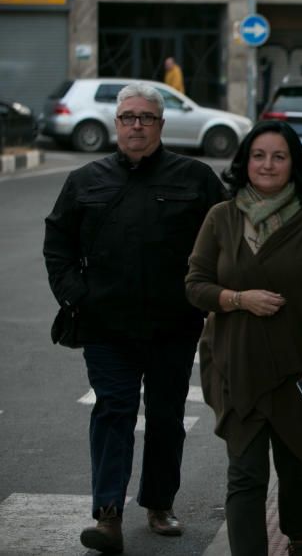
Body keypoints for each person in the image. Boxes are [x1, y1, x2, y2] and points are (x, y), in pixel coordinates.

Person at [43, 83, 226, 554]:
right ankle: (108, 514)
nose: (137, 125)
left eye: (146, 117)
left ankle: (160, 503)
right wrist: (75, 296)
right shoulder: (86, 180)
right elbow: (58, 242)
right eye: (128, 117)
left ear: (161, 125)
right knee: (114, 412)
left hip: (174, 324)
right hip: (106, 326)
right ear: (116, 123)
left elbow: (225, 237)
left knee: (166, 416)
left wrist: (210, 299)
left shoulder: (197, 178)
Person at [185, 121, 302, 556]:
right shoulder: (221, 218)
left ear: (294, 165)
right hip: (237, 367)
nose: (268, 164)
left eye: (279, 156)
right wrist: (237, 298)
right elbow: (195, 283)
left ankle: (298, 539)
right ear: (245, 161)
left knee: (298, 467)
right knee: (245, 474)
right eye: (259, 155)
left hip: (299, 366)